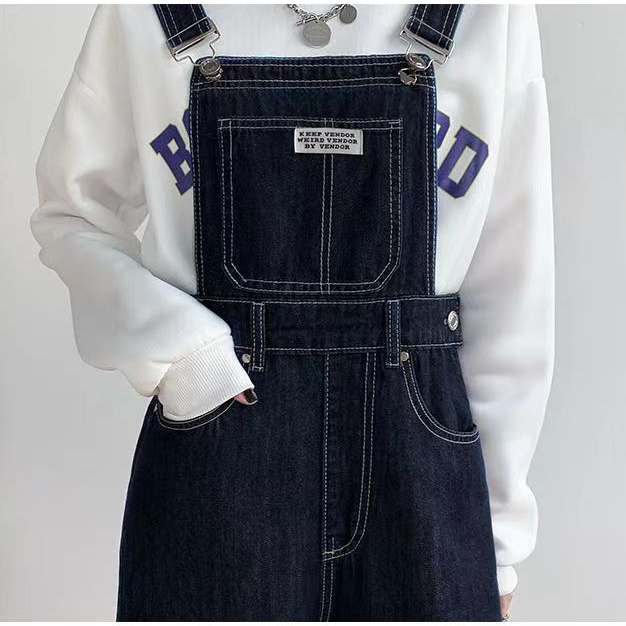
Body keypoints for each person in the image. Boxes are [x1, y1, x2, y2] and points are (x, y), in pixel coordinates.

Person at [31, 4, 553, 621]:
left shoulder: (489, 12)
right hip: (222, 441)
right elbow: (74, 212)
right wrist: (183, 352)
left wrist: (499, 539)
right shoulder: (147, 11)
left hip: (420, 464)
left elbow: (510, 273)